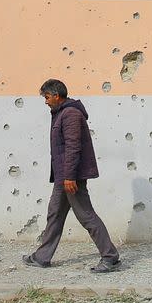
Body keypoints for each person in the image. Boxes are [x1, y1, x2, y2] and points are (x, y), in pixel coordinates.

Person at [23, 79, 121, 273]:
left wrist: (69, 177)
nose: (46, 101)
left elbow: (73, 147)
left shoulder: (70, 114)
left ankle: (110, 257)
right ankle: (42, 257)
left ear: (57, 96)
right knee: (55, 214)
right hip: (63, 176)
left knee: (86, 216)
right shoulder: (60, 113)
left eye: (47, 97)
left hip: (70, 177)